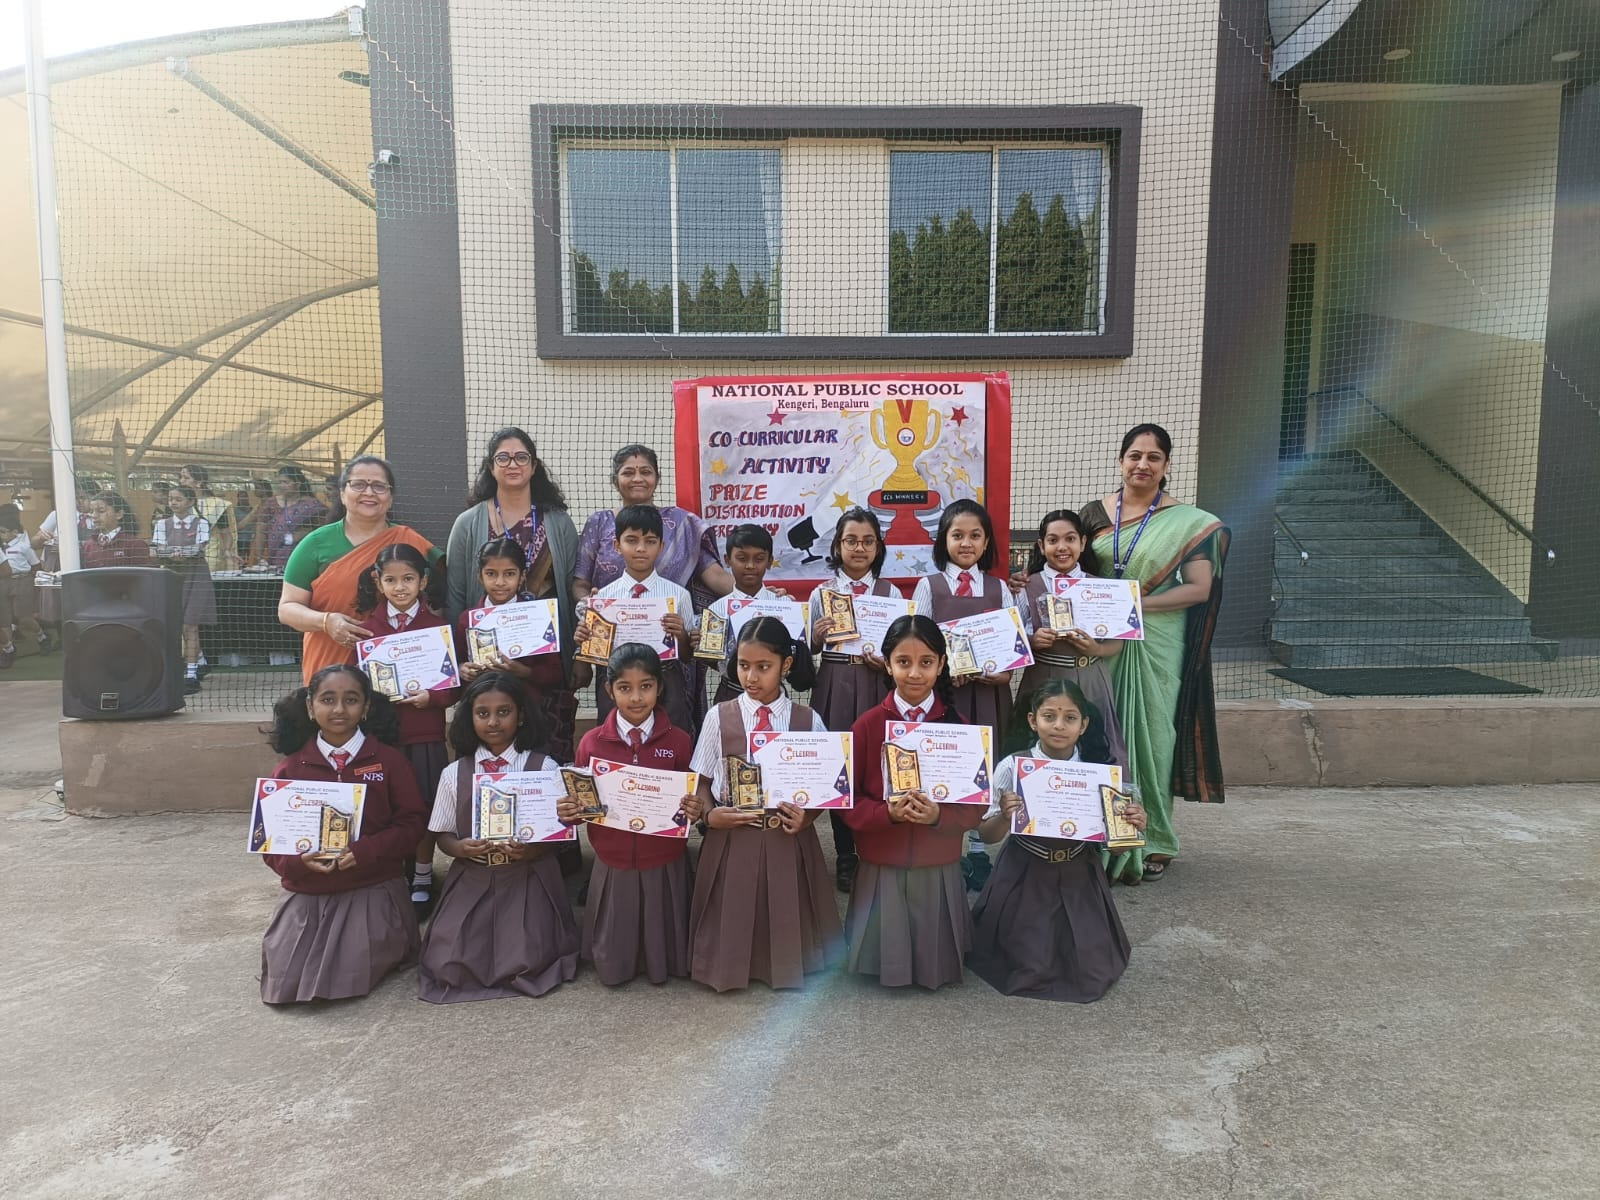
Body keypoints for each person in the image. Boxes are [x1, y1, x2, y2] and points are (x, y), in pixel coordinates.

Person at [1079, 423, 1229, 884]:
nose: (1142, 464)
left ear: (1166, 466)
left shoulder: (1188, 522)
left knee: (1153, 740)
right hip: (1101, 639)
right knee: (1102, 736)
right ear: (1121, 460)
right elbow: (1070, 568)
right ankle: (1100, 837)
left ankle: (1155, 839)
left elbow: (1199, 588)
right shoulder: (1093, 514)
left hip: (1157, 640)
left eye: (1153, 457)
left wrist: (1133, 606)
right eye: (1135, 455)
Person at [687, 617, 842, 992]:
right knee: (735, 906)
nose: (751, 677)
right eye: (743, 665)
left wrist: (808, 817)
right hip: (732, 838)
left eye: (763, 667)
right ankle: (729, 967)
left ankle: (785, 966)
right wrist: (709, 815)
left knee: (786, 907)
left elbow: (826, 787)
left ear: (786, 665)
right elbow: (701, 782)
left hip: (787, 838)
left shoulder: (807, 720)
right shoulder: (719, 716)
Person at [968, 680, 1147, 1003]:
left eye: (1070, 718)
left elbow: (1118, 847)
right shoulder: (1013, 766)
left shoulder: (1098, 773)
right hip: (1023, 873)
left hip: (1080, 873)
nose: (1059, 726)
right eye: (1049, 716)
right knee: (1025, 964)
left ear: (1084, 725)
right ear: (1032, 720)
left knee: (1090, 968)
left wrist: (1132, 825)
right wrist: (1005, 817)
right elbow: (986, 834)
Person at [258, 664, 422, 1005]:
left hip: (370, 885)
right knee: (286, 977)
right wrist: (299, 863)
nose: (339, 709)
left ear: (366, 707)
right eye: (327, 699)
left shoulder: (389, 762)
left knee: (350, 970)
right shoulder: (289, 770)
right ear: (310, 707)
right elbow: (270, 846)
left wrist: (366, 852)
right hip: (309, 890)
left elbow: (412, 824)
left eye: (351, 700)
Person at [417, 673, 579, 1003]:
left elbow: (559, 834)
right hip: (473, 877)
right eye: (483, 713)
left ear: (521, 716)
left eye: (504, 712)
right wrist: (458, 848)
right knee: (447, 963)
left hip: (527, 877)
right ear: (470, 718)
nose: (493, 721)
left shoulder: (544, 768)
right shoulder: (454, 773)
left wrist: (531, 851)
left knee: (527, 960)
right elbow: (442, 834)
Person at [843, 615, 982, 991]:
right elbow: (847, 800)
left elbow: (975, 807)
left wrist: (939, 816)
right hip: (882, 860)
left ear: (941, 664)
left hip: (937, 862)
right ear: (887, 665)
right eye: (903, 662)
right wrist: (884, 813)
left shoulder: (961, 728)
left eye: (926, 662)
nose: (915, 673)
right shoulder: (867, 726)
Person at [566, 643, 698, 986]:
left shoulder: (680, 741)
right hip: (614, 858)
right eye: (625, 688)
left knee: (662, 925)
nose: (636, 698)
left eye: (646, 686)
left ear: (660, 687)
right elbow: (582, 803)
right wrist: (571, 811)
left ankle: (663, 963)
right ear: (609, 690)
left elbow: (690, 796)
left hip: (664, 858)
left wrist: (694, 808)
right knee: (617, 940)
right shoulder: (591, 743)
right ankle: (616, 963)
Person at [575, 444, 735, 725]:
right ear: (615, 479)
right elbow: (580, 582)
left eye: (645, 471)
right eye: (628, 472)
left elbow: (714, 575)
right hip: (613, 659)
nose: (638, 478)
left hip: (669, 671)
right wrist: (590, 609)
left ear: (657, 478)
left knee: (671, 732)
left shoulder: (682, 524)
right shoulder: (599, 523)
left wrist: (759, 596)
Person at [446, 428, 580, 762]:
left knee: (545, 758)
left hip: (543, 667)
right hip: (488, 671)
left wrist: (577, 659)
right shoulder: (467, 523)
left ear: (534, 466)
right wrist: (460, 663)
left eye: (521, 457)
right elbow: (456, 595)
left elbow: (570, 592)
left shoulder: (559, 523)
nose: (512, 464)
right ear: (490, 467)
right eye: (502, 458)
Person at [911, 498, 1017, 891]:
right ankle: (944, 846)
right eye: (957, 535)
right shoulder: (929, 586)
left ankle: (976, 848)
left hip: (988, 696)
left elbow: (1013, 647)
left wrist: (1005, 673)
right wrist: (943, 671)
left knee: (983, 768)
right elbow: (918, 639)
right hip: (947, 697)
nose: (966, 543)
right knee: (946, 765)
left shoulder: (999, 588)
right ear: (944, 540)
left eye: (975, 535)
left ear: (987, 542)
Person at [354, 542, 457, 919]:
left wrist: (432, 697)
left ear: (423, 581)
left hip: (425, 734)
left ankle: (423, 875)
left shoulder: (437, 628)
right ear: (378, 582)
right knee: (386, 806)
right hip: (382, 739)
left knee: (425, 805)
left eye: (408, 579)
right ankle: (393, 872)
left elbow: (453, 687)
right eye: (391, 580)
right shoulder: (367, 630)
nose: (400, 587)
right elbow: (356, 687)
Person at [274, 455, 439, 685]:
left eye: (379, 486)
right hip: (332, 668)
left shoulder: (410, 541)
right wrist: (326, 622)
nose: (369, 492)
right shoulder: (315, 544)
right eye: (359, 484)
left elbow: (444, 593)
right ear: (342, 494)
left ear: (390, 497)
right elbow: (287, 609)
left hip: (400, 670)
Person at [806, 508, 896, 894]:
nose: (859, 548)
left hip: (876, 682)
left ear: (878, 547)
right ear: (838, 546)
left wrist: (887, 662)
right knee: (839, 764)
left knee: (877, 763)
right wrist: (816, 636)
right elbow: (808, 649)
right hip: (836, 681)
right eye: (851, 541)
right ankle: (845, 854)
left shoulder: (892, 594)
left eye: (867, 541)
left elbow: (900, 650)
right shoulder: (821, 593)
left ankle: (875, 845)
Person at [1011, 509, 1127, 765]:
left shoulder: (1102, 587)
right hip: (1042, 678)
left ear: (1083, 543)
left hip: (1091, 677)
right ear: (1041, 546)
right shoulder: (1025, 586)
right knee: (1037, 750)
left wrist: (1096, 649)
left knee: (1097, 749)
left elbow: (1117, 643)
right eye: (1053, 540)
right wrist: (1031, 642)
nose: (1062, 547)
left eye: (1070, 539)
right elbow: (1010, 639)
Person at [577, 505, 696, 735]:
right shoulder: (603, 598)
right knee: (614, 743)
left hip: (666, 684)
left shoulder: (678, 596)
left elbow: (687, 656)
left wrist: (681, 635)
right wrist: (585, 639)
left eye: (650, 541)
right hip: (617, 686)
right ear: (617, 545)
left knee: (669, 742)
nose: (641, 548)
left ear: (661, 547)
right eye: (631, 540)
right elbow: (596, 654)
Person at [150, 485, 218, 694]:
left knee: (190, 624)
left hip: (197, 577)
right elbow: (157, 550)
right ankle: (200, 661)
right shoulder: (161, 524)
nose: (173, 503)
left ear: (190, 501)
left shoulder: (201, 523)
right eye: (171, 498)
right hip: (173, 577)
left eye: (178, 499)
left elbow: (198, 549)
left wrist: (173, 552)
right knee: (178, 625)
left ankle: (190, 675)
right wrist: (173, 554)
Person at [455, 535, 545, 686]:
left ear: (522, 576)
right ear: (480, 576)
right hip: (482, 696)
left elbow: (554, 672)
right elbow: (457, 662)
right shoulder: (467, 620)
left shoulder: (538, 617)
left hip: (525, 696)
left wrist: (525, 672)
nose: (500, 582)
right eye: (491, 574)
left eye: (509, 574)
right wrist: (462, 669)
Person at [250, 465, 327, 571]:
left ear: (298, 484)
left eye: (286, 482)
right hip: (275, 558)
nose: (282, 486)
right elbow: (261, 530)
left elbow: (322, 530)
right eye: (280, 482)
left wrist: (302, 534)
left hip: (303, 557)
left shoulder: (311, 505)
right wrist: (260, 558)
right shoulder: (271, 503)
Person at [0, 504, 46, 669]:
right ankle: (8, 650)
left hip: (22, 580)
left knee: (23, 618)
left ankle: (42, 636)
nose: (1, 535)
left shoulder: (23, 546)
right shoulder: (1, 546)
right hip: (4, 582)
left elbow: (36, 566)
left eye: (3, 531)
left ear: (14, 532)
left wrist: (36, 586)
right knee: (4, 619)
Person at [178, 464, 237, 574]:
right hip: (183, 556)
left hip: (209, 556)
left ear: (199, 482)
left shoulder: (216, 504)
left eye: (186, 478)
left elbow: (226, 533)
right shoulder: (178, 504)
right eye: (180, 477)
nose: (181, 481)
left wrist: (227, 551)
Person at [80, 493, 153, 568]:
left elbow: (142, 574)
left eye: (101, 511)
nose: (94, 516)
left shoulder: (135, 545)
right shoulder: (88, 545)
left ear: (119, 514)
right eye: (91, 511)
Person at [234, 479, 273, 563]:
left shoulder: (274, 504)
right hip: (257, 541)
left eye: (257, 488)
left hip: (271, 541)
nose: (255, 490)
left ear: (265, 489)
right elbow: (243, 523)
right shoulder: (258, 507)